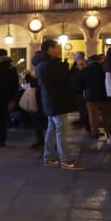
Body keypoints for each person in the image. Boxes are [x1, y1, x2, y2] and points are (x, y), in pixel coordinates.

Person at [34, 39, 84, 169]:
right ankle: (66, 160)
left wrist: (74, 69)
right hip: (56, 100)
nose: (59, 50)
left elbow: (62, 77)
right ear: (50, 49)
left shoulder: (45, 63)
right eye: (57, 47)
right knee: (62, 130)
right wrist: (77, 72)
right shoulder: (47, 65)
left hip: (52, 100)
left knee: (52, 129)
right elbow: (64, 81)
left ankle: (49, 157)